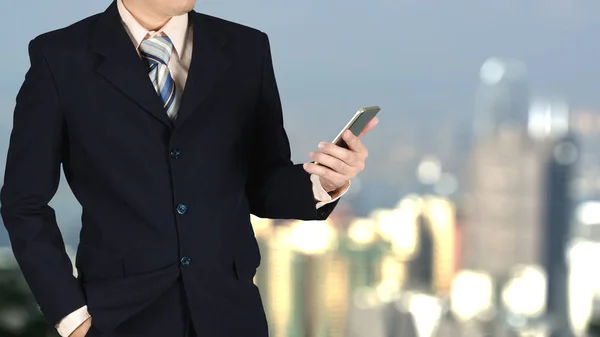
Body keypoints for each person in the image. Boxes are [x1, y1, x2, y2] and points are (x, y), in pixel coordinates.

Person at [0, 0, 378, 336]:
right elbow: (23, 203)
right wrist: (72, 318)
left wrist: (323, 181)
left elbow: (262, 181)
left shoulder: (246, 48)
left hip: (231, 313)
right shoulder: (61, 56)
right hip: (118, 317)